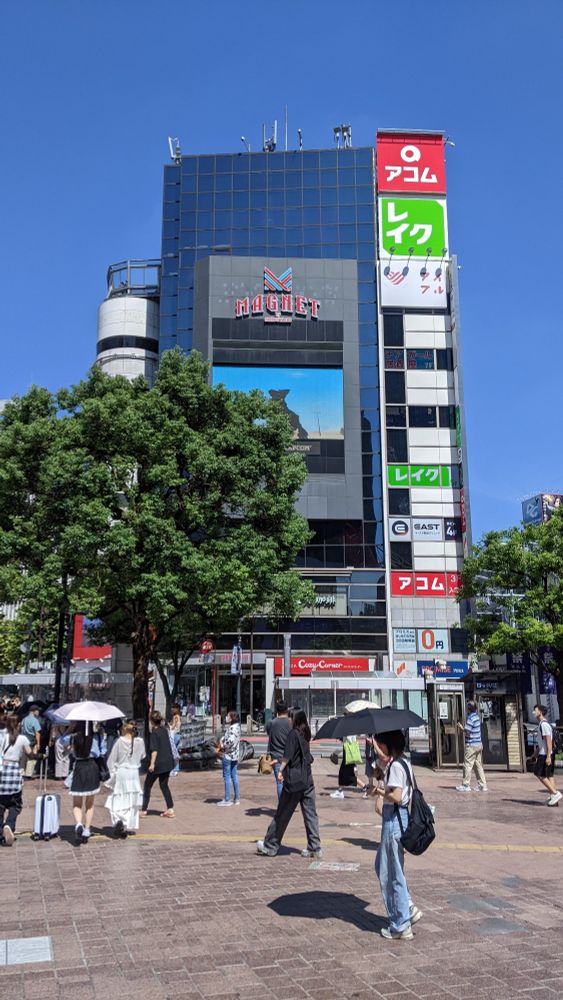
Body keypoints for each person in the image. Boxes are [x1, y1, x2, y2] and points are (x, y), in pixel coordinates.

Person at [373, 731, 423, 940]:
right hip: (398, 819)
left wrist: (379, 791)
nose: (378, 749)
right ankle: (407, 909)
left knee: (390, 874)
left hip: (394, 821)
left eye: (380, 745)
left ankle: (400, 923)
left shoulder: (395, 766)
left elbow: (396, 795)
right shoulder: (403, 763)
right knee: (384, 867)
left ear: (388, 746)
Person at [256, 709, 321, 858]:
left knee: (283, 813)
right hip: (307, 779)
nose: (289, 721)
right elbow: (299, 755)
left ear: (295, 719)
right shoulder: (306, 734)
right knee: (310, 814)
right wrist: (278, 761)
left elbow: (288, 756)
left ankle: (270, 845)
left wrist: (280, 770)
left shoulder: (293, 734)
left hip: (294, 781)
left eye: (291, 718)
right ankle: (315, 847)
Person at [0, 715, 36, 846]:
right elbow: (30, 753)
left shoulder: (1, 736)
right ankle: (9, 825)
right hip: (14, 773)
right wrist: (38, 755)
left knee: (0, 806)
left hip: (1, 771)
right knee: (16, 804)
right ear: (17, 725)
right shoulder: (22, 738)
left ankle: (1, 834)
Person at [105, 720, 145, 837]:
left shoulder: (119, 742)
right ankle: (126, 823)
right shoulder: (140, 742)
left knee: (118, 797)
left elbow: (111, 760)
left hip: (122, 772)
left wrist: (113, 773)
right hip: (133, 773)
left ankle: (119, 820)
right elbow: (142, 756)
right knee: (131, 799)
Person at [141, 711, 175, 818]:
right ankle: (170, 808)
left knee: (147, 785)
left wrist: (152, 764)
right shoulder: (164, 730)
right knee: (164, 785)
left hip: (158, 764)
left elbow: (154, 750)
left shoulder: (154, 733)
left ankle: (144, 809)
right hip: (168, 762)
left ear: (151, 721)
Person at [69, 730, 101, 845]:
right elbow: (98, 753)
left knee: (77, 802)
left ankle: (78, 824)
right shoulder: (94, 737)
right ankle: (87, 829)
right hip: (91, 766)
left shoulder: (74, 736)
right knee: (90, 803)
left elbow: (71, 752)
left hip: (79, 766)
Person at [455, 701, 488, 793]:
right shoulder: (477, 717)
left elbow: (467, 732)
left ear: (469, 709)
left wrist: (461, 727)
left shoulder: (470, 718)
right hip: (478, 744)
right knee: (478, 765)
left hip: (472, 745)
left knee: (467, 764)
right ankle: (482, 785)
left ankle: (466, 785)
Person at [532, 704, 561, 806]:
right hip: (545, 753)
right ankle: (554, 798)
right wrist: (535, 754)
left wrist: (548, 755)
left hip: (545, 754)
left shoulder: (544, 725)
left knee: (539, 774)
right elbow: (542, 743)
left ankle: (555, 793)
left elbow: (548, 741)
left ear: (540, 712)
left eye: (535, 710)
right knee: (549, 775)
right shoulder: (543, 724)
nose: (534, 712)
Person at [266, 701, 291, 799]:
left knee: (279, 782)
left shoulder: (271, 723)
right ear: (287, 710)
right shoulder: (291, 722)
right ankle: (289, 806)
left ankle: (282, 807)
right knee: (289, 782)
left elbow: (269, 733)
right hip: (289, 757)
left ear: (276, 710)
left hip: (275, 757)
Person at [217, 710, 241, 806]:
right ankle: (236, 798)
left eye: (228, 716)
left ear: (232, 718)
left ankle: (227, 799)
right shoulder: (237, 727)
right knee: (234, 776)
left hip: (228, 755)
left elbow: (229, 741)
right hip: (234, 755)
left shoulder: (232, 728)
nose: (226, 717)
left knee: (227, 776)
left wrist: (222, 745)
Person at [21, 704, 42, 779]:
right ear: (33, 711)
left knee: (23, 757)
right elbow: (37, 733)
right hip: (31, 739)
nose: (38, 712)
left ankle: (21, 772)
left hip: (23, 739)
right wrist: (38, 744)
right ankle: (28, 774)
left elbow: (21, 729)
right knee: (31, 757)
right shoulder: (35, 720)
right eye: (37, 710)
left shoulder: (24, 719)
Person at [169, 704, 182, 777]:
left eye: (173, 708)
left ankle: (174, 769)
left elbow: (173, 726)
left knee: (173, 753)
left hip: (175, 735)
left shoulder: (175, 717)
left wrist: (169, 725)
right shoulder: (179, 717)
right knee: (176, 752)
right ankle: (176, 769)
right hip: (178, 735)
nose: (172, 710)